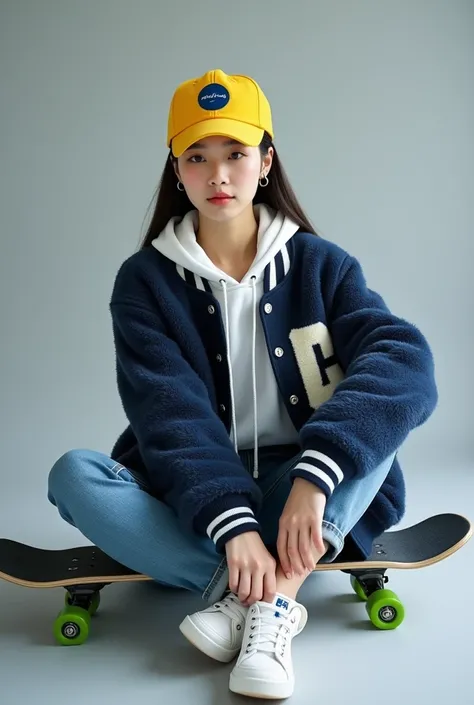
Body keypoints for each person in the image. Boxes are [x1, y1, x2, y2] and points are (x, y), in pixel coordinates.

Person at [47, 68, 438, 699]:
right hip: (195, 492)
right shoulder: (144, 282)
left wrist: (314, 480)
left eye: (236, 153)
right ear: (177, 170)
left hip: (302, 493)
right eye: (197, 157)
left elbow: (405, 358)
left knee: (378, 419)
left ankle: (263, 602)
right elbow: (168, 415)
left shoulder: (320, 264)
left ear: (266, 161)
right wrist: (232, 524)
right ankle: (262, 586)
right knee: (73, 474)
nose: (218, 174)